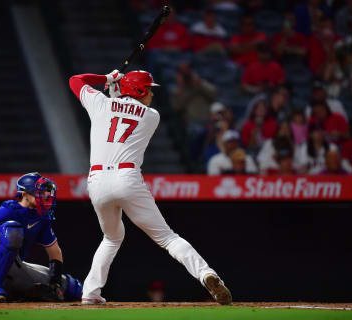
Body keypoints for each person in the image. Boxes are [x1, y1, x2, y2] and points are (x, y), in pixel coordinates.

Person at [69, 70, 232, 305]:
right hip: (127, 177)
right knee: (167, 238)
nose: (152, 94)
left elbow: (76, 80)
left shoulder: (101, 104)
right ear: (139, 91)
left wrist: (107, 78)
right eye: (148, 89)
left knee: (111, 237)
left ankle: (91, 292)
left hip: (97, 181)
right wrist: (117, 89)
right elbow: (126, 108)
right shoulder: (151, 116)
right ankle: (206, 274)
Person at [0, 173, 82, 302]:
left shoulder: (41, 217)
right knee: (12, 229)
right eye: (39, 192)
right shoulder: (7, 211)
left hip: (13, 268)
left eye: (45, 192)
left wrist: (55, 283)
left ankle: (20, 293)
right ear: (24, 194)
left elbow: (55, 252)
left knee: (72, 287)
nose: (45, 196)